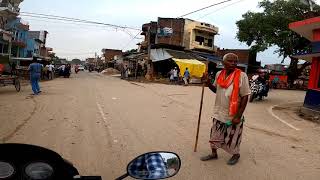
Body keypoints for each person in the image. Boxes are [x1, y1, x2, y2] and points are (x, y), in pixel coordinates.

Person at [201, 53, 251, 165]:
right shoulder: (219, 74)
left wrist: (238, 116)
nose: (233, 63)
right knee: (214, 134)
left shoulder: (242, 75)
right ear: (223, 63)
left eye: (235, 62)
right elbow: (216, 90)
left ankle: (235, 154)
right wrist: (208, 83)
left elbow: (245, 96)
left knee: (233, 136)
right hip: (219, 112)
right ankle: (214, 153)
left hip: (233, 114)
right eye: (230, 61)